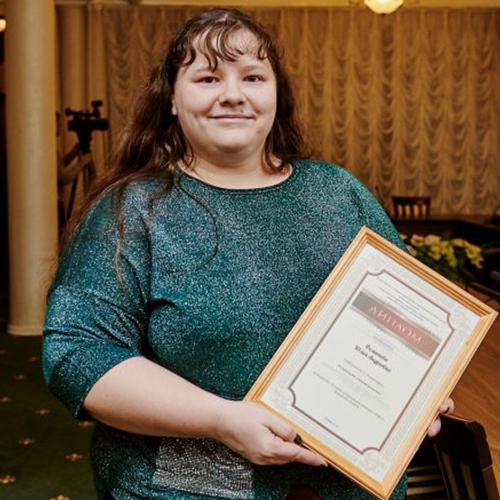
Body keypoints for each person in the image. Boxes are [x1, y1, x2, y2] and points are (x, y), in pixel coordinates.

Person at [43, 9, 453, 500]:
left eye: (253, 77)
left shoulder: (340, 194)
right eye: (208, 78)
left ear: (277, 94)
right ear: (172, 98)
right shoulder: (133, 210)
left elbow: (414, 324)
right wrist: (222, 419)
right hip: (192, 487)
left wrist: (419, 389)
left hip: (347, 485)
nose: (233, 94)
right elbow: (78, 356)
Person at [56, 111, 92, 225]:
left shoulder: (49, 146)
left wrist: (73, 152)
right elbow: (64, 177)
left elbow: (59, 166)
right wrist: (81, 163)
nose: (61, 127)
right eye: (58, 124)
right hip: (56, 204)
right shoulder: (49, 148)